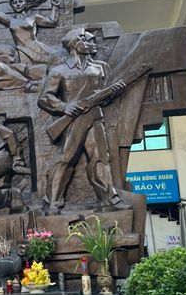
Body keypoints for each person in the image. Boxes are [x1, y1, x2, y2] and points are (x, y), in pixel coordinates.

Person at [37, 27, 129, 213]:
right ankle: (53, 200)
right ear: (74, 44)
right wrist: (64, 106)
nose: (92, 43)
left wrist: (113, 92)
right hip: (73, 120)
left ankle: (109, 199)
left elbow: (106, 97)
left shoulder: (101, 67)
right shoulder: (58, 71)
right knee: (66, 159)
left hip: (95, 118)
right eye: (86, 40)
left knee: (101, 159)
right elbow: (44, 98)